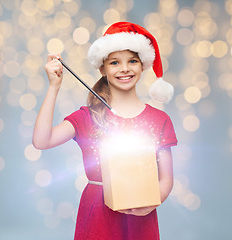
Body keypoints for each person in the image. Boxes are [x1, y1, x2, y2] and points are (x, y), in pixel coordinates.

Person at [33, 22, 177, 240]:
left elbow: (166, 179)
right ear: (103, 68)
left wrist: (152, 202)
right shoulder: (87, 117)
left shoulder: (160, 120)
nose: (125, 68)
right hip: (98, 217)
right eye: (115, 62)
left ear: (143, 65)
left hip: (142, 216)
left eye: (132, 61)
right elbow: (42, 141)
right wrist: (54, 86)